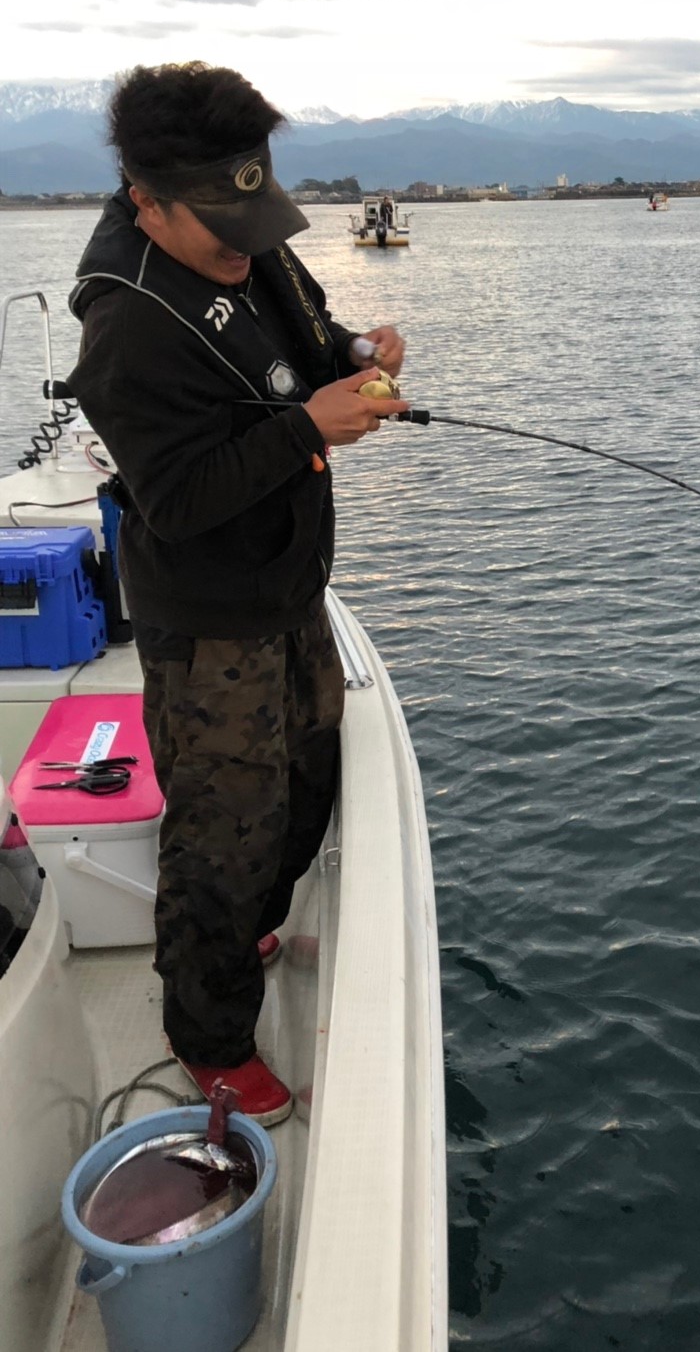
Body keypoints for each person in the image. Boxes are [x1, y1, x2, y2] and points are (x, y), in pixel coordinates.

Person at [68, 62, 408, 1124]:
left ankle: (251, 923)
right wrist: (309, 427)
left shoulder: (245, 236)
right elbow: (172, 499)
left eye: (253, 212)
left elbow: (305, 327)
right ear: (145, 203)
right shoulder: (124, 333)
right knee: (222, 830)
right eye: (220, 225)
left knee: (307, 781)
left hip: (288, 588)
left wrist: (354, 352)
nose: (246, 241)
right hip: (208, 620)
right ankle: (206, 1033)